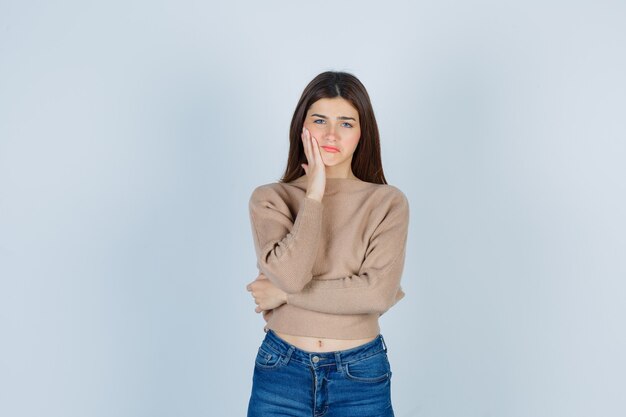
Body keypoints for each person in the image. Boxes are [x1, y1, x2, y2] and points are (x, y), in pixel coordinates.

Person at [245, 71, 410, 417]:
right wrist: (315, 193)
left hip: (360, 375)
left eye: (346, 123)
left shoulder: (387, 203)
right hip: (281, 373)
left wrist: (286, 297)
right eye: (320, 120)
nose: (332, 134)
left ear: (363, 132)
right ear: (301, 127)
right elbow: (291, 274)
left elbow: (376, 294)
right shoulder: (271, 199)